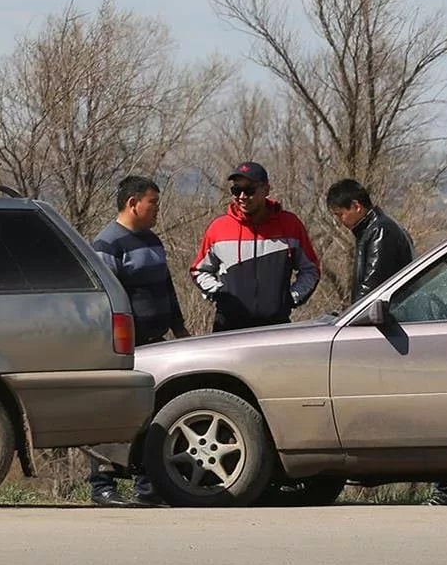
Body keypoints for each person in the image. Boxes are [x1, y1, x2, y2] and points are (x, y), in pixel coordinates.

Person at [325, 179, 447, 507]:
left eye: (340, 213)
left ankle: (446, 486)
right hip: (391, 330)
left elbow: (373, 288)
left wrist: (351, 319)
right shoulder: (374, 230)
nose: (339, 221)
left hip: (390, 333)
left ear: (357, 206)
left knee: (416, 413)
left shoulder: (380, 233)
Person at [86, 175, 188, 506]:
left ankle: (150, 485)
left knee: (152, 413)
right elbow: (104, 301)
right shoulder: (107, 245)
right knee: (112, 413)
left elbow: (167, 289)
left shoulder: (153, 241)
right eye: (153, 202)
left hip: (157, 345)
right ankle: (102, 484)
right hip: (126, 348)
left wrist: (180, 329)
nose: (158, 209)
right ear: (133, 203)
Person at [191, 162, 319, 333]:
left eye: (249, 190)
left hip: (276, 328)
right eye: (236, 190)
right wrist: (220, 294)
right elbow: (199, 270)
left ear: (266, 190)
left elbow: (310, 270)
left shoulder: (290, 225)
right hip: (228, 328)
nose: (242, 196)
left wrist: (290, 297)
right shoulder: (218, 228)